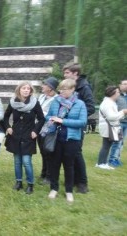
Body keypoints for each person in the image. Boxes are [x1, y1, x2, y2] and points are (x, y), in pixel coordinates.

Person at [42, 79, 87, 203]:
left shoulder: (80, 104)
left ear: (72, 89)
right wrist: (52, 119)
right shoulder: (56, 102)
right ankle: (54, 188)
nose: (62, 91)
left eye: (65, 89)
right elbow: (47, 116)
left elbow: (82, 122)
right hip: (55, 138)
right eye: (61, 89)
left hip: (71, 140)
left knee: (69, 166)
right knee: (54, 164)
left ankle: (68, 191)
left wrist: (63, 121)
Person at [4, 82, 45, 194]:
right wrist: (8, 127)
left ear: (31, 91)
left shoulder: (35, 103)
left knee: (26, 161)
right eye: (24, 88)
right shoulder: (13, 102)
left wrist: (36, 131)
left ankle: (30, 184)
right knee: (17, 161)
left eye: (28, 89)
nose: (26, 90)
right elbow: (6, 116)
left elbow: (42, 119)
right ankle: (19, 182)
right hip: (16, 135)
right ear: (19, 90)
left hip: (28, 136)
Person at [63, 62, 95, 193]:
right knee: (69, 153)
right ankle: (74, 180)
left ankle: (82, 183)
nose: (64, 75)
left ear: (75, 73)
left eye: (67, 73)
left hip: (76, 126)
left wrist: (75, 114)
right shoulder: (70, 86)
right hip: (66, 125)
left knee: (76, 153)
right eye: (64, 73)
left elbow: (91, 107)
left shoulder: (84, 87)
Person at [96, 86, 127, 170]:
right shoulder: (108, 103)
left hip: (108, 126)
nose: (119, 94)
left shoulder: (110, 102)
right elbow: (111, 117)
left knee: (107, 145)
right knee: (106, 145)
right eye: (117, 92)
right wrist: (123, 112)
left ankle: (103, 162)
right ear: (112, 93)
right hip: (108, 127)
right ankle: (101, 163)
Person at [37, 77, 59, 185]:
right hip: (39, 127)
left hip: (49, 128)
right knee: (42, 151)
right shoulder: (41, 96)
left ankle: (50, 176)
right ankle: (44, 172)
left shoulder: (56, 99)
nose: (42, 86)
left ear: (50, 88)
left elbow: (53, 115)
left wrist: (40, 114)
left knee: (48, 153)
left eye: (44, 84)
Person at [108, 79, 127, 167]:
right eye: (124, 84)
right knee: (116, 141)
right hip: (118, 122)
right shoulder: (116, 96)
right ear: (120, 85)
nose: (126, 86)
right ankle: (112, 159)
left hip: (126, 122)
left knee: (121, 142)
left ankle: (117, 158)